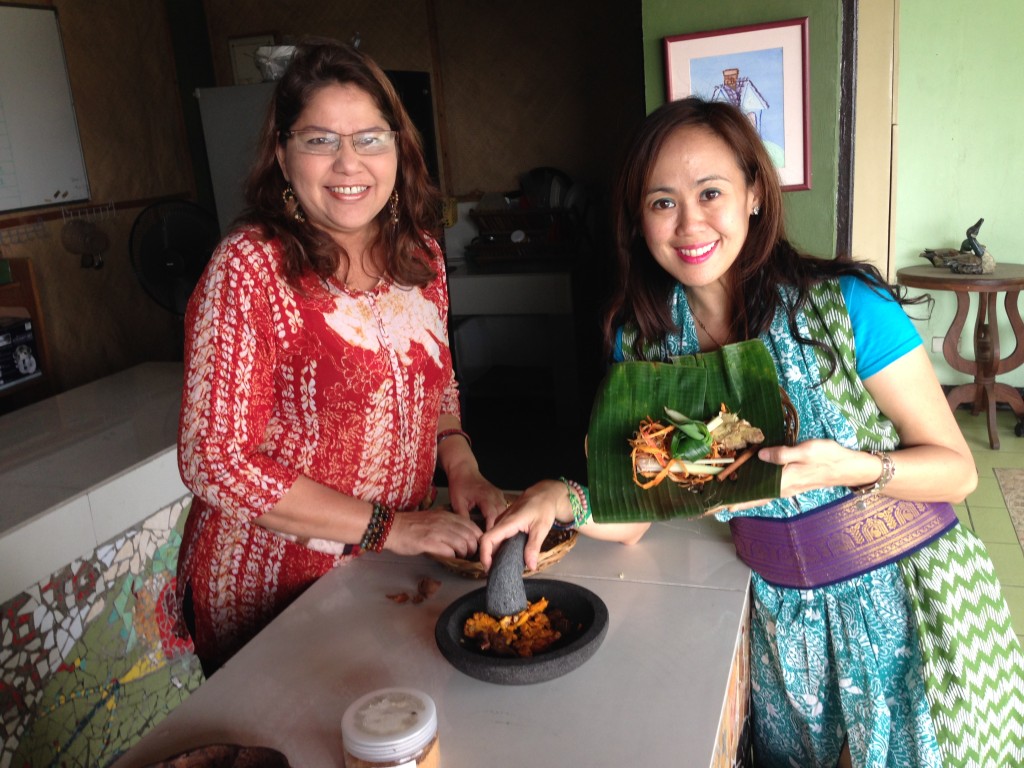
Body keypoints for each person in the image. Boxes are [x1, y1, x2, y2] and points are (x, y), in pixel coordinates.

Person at [480, 96, 1024, 767]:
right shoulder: (645, 342)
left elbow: (956, 470)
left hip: (908, 606)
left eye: (711, 192)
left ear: (755, 193)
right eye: (661, 202)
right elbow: (635, 512)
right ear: (638, 220)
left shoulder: (845, 306)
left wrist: (849, 467)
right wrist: (561, 496)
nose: (689, 223)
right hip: (773, 619)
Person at [174, 39, 507, 675]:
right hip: (268, 588)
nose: (347, 162)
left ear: (398, 147)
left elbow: (436, 389)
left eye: (369, 138)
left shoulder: (422, 255)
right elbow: (214, 461)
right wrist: (395, 527)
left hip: (384, 567)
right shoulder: (251, 267)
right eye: (320, 140)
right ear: (283, 153)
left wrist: (462, 468)